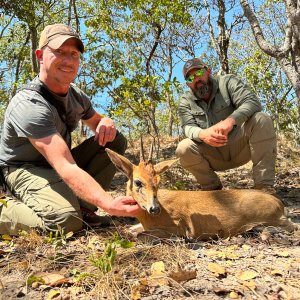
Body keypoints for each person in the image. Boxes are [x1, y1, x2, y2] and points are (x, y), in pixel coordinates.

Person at [0, 23, 141, 235]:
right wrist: (108, 203)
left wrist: (105, 121)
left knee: (114, 140)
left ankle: (84, 208)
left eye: (74, 54)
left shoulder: (76, 95)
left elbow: (97, 122)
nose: (68, 61)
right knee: (64, 221)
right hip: (24, 168)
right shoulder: (29, 104)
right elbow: (65, 165)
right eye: (59, 52)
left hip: (54, 164)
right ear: (40, 55)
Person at [175, 57, 277, 193]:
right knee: (183, 148)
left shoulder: (227, 82)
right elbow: (187, 127)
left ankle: (264, 187)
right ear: (187, 84)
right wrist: (203, 134)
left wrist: (230, 121)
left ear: (208, 71)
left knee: (261, 119)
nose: (196, 80)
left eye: (199, 73)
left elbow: (252, 102)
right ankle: (212, 189)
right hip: (213, 155)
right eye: (190, 78)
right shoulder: (185, 100)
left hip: (241, 148)